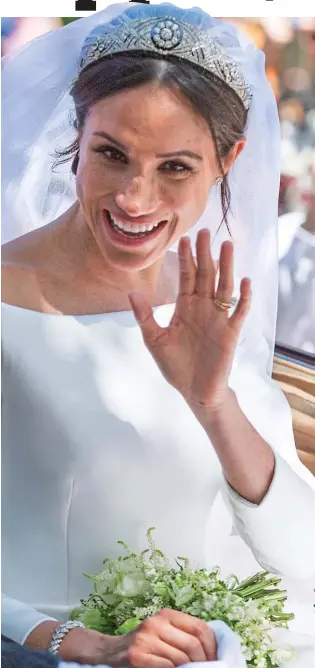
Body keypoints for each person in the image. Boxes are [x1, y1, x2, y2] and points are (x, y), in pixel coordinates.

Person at [2, 3, 315, 667]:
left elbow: (302, 560)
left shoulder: (211, 302)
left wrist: (214, 404)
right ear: (77, 135)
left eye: (175, 167)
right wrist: (69, 643)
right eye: (111, 155)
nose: (134, 200)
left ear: (227, 160)